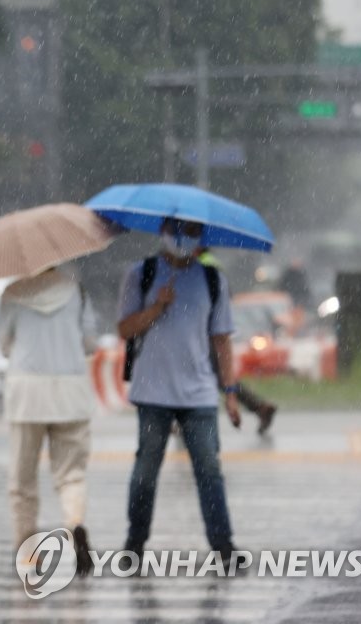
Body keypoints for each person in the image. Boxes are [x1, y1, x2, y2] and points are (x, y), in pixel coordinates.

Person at [117, 218, 240, 568]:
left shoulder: (213, 280)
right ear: (163, 233)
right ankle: (135, 543)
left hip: (199, 394)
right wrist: (156, 307)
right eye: (176, 229)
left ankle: (223, 546)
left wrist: (230, 392)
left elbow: (222, 341)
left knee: (209, 470)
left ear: (202, 237)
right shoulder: (139, 274)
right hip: (152, 392)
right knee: (145, 471)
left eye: (192, 231)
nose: (183, 238)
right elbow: (125, 328)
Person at [0, 265, 97, 576]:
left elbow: (3, 345)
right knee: (71, 474)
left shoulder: (13, 292)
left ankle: (27, 549)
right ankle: (75, 523)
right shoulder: (76, 291)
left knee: (22, 477)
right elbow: (90, 343)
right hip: (70, 392)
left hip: (27, 393)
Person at [197, 248, 278, 435]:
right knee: (217, 374)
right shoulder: (212, 263)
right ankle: (259, 407)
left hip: (204, 331)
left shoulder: (199, 265)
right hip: (209, 329)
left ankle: (259, 406)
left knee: (213, 374)